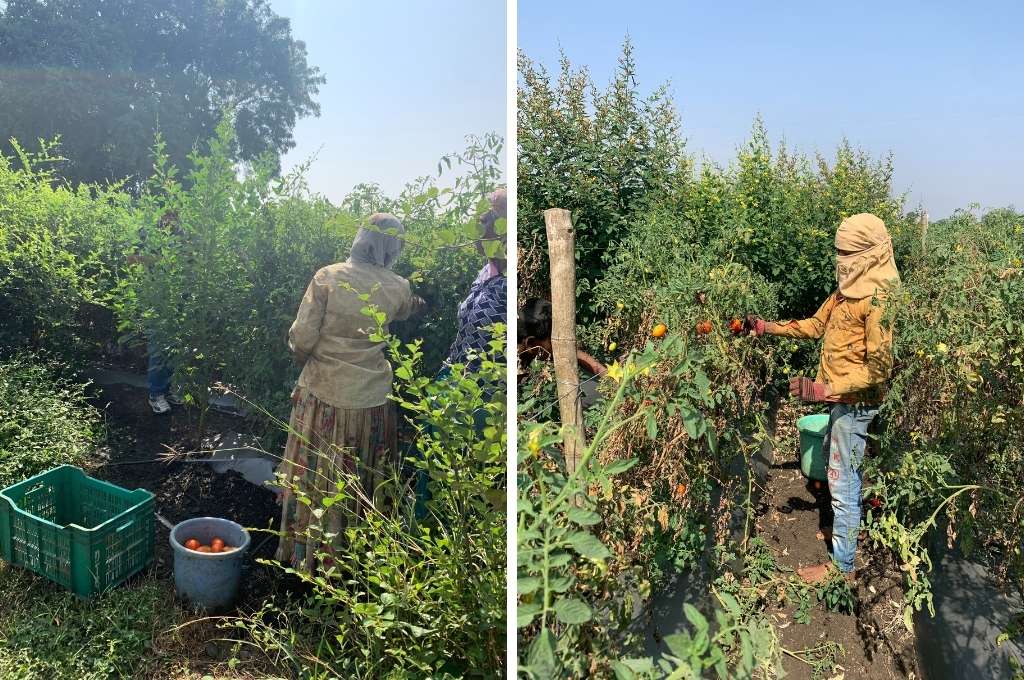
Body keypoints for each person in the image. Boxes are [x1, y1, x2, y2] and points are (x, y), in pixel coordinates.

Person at [747, 213, 899, 584]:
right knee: (838, 471)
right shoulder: (848, 291)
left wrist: (821, 390)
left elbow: (879, 371)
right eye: (839, 252)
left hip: (856, 404)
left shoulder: (879, 300)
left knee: (844, 480)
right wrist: (766, 327)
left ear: (870, 254)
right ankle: (847, 532)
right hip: (839, 401)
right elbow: (816, 326)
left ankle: (842, 568)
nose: (840, 260)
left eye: (847, 253)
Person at [275, 213, 424, 570]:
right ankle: (354, 557)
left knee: (315, 476)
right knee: (359, 477)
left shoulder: (327, 277)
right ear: (392, 247)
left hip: (323, 395)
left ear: (360, 238)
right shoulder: (398, 286)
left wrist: (308, 359)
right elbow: (408, 310)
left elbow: (302, 338)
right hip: (370, 402)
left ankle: (307, 558)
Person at [413, 188, 507, 520]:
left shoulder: (514, 278)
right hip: (454, 385)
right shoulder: (488, 272)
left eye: (491, 219)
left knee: (471, 486)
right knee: (436, 480)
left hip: (487, 397)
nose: (482, 224)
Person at [127, 209, 184, 415]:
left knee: (173, 348)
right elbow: (131, 258)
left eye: (175, 216)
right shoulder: (146, 233)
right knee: (159, 348)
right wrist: (157, 260)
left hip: (177, 299)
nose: (171, 220)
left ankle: (168, 390)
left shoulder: (181, 235)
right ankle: (156, 394)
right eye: (168, 215)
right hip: (156, 299)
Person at [517, 297, 606, 410]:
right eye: (556, 339)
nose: (564, 344)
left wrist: (611, 378)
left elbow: (575, 353)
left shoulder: (528, 348)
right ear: (531, 343)